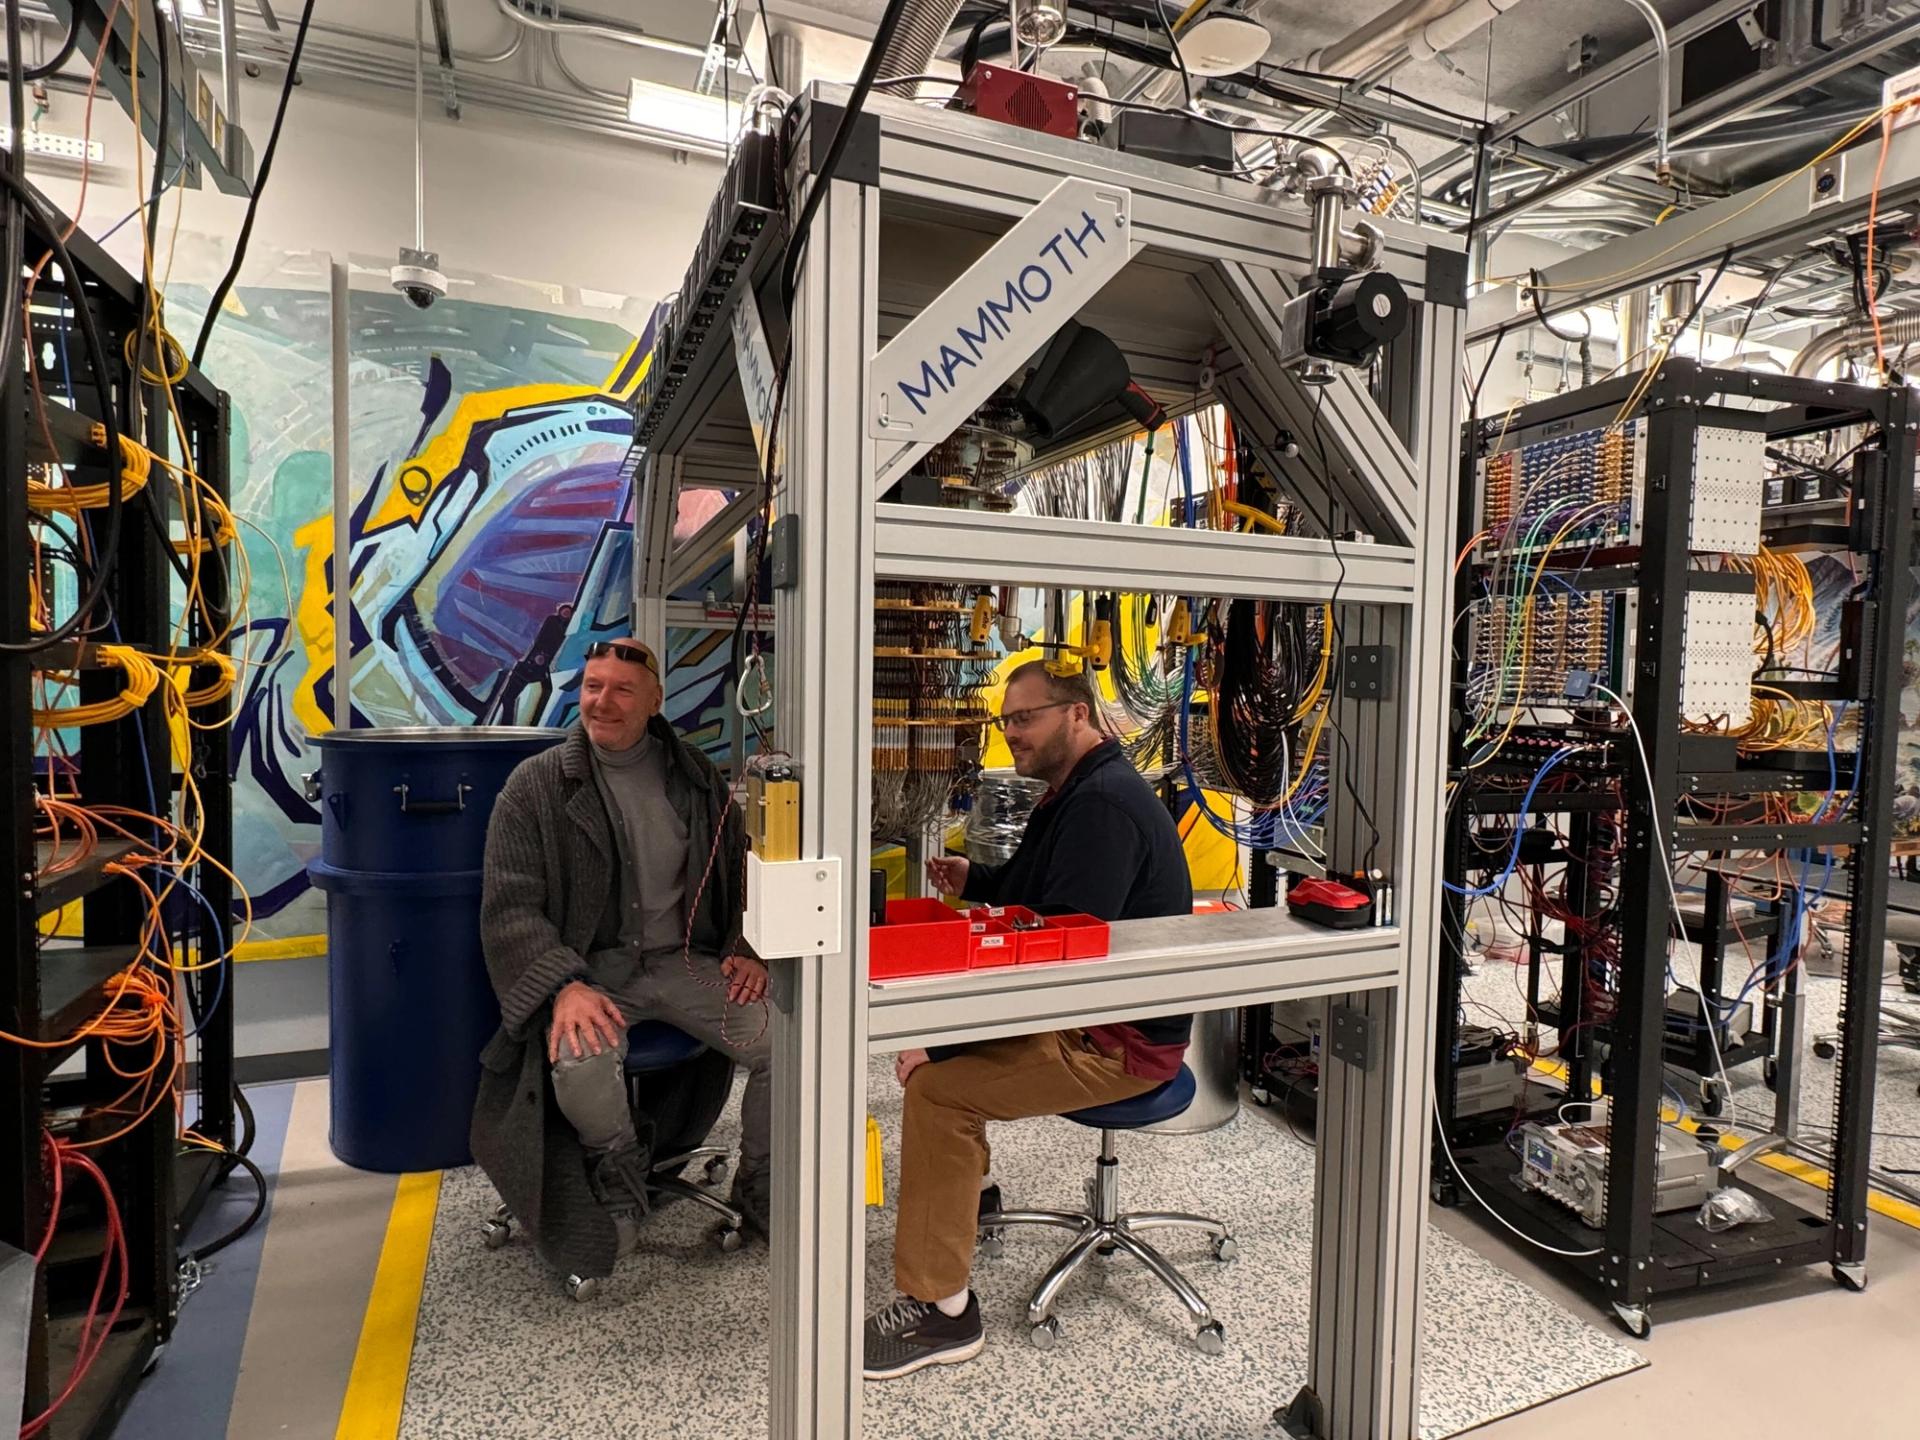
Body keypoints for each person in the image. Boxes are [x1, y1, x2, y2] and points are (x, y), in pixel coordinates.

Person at [863, 660, 1193, 1380]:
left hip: (1116, 1043)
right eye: (1006, 720)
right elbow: (1041, 902)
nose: (1011, 733)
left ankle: (940, 1315)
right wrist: (975, 882)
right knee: (940, 1062)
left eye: (1026, 717)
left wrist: (945, 1044)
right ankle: (968, 1200)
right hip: (1089, 1015)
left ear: (1077, 715)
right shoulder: (1072, 792)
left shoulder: (1102, 803)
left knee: (936, 1092)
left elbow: (1051, 960)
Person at [470, 637, 773, 1281]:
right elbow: (511, 908)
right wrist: (564, 987)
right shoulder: (538, 786)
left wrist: (748, 945)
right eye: (591, 686)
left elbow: (739, 870)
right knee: (579, 1061)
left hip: (684, 965)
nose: (601, 702)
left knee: (789, 1047)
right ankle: (620, 1169)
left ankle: (759, 1184)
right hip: (592, 973)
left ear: (655, 701)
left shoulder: (695, 777)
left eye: (621, 690)